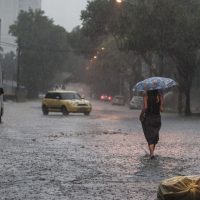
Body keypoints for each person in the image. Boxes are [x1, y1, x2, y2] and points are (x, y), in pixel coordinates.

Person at [141, 89, 164, 159]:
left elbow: (145, 107)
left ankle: (151, 154)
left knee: (150, 137)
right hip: (157, 119)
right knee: (154, 137)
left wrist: (141, 114)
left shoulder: (146, 96)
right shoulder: (160, 96)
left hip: (148, 118)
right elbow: (162, 110)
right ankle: (152, 152)